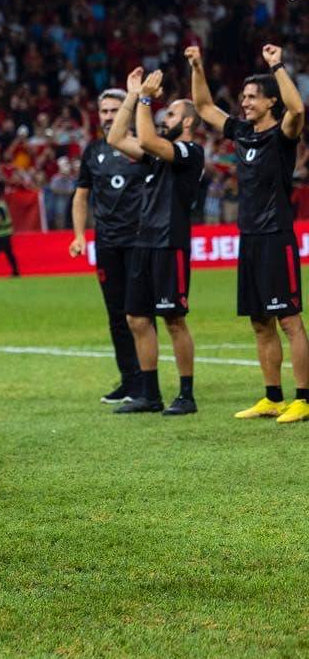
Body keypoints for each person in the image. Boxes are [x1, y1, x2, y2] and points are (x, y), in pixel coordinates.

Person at [190, 44, 309, 423]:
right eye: (243, 97)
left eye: (252, 97)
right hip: (250, 237)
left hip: (276, 235)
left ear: (271, 101)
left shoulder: (283, 133)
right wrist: (197, 67)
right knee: (260, 322)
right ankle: (272, 397)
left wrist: (277, 65)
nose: (244, 103)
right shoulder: (242, 132)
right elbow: (204, 106)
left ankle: (304, 399)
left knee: (289, 321)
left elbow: (298, 109)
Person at [107, 66, 204, 416]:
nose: (166, 118)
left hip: (169, 243)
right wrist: (134, 96)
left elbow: (147, 140)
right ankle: (150, 395)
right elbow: (116, 138)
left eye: (173, 114)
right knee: (136, 318)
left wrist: (146, 100)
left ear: (188, 122)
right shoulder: (159, 155)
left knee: (174, 319)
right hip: (144, 242)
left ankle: (186, 396)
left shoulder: (190, 152)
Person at [70, 88, 147, 404]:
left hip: (139, 241)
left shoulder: (142, 145)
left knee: (139, 314)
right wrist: (79, 235)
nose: (109, 116)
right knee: (116, 315)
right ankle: (129, 380)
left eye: (115, 110)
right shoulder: (93, 151)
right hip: (106, 243)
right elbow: (81, 196)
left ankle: (146, 382)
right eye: (104, 111)